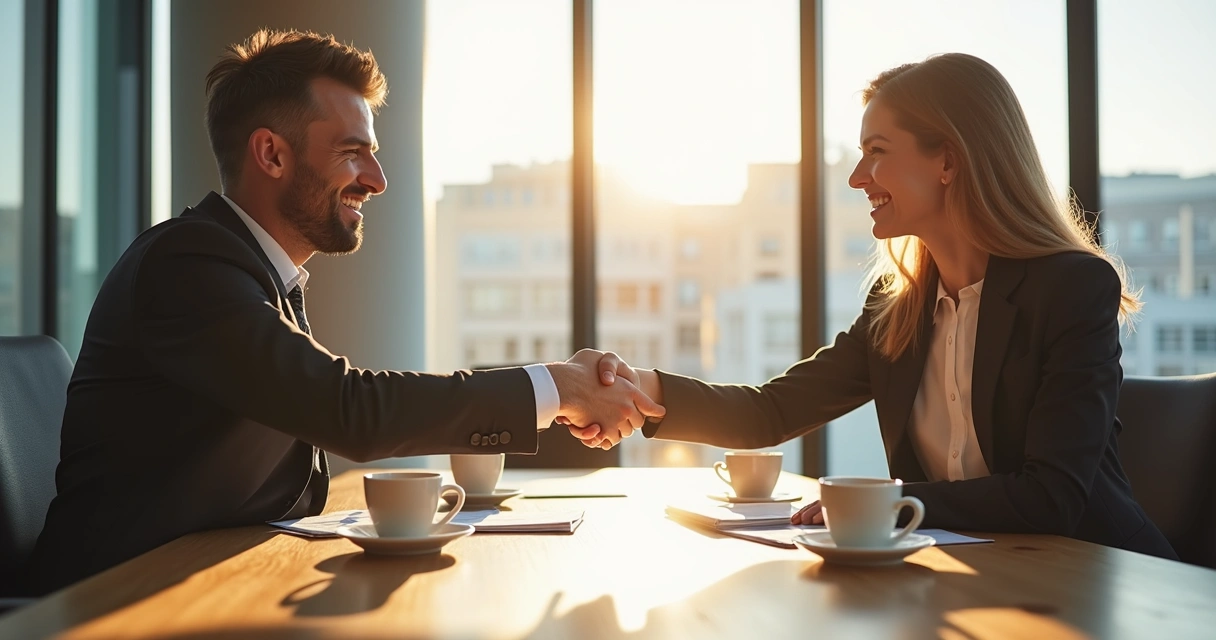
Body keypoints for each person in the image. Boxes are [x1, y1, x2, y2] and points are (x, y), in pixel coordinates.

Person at [30, 29, 663, 594]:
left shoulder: (254, 272)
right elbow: (347, 409)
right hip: (110, 604)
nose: (378, 179)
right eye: (352, 151)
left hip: (203, 580)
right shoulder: (187, 267)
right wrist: (557, 387)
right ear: (272, 155)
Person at [568, 53, 1177, 560]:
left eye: (877, 151)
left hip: (1110, 582)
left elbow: (1052, 497)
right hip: (975, 578)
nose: (859, 177)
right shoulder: (898, 309)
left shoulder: (1071, 288)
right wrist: (639, 386)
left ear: (949, 160)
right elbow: (770, 412)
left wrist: (891, 501)